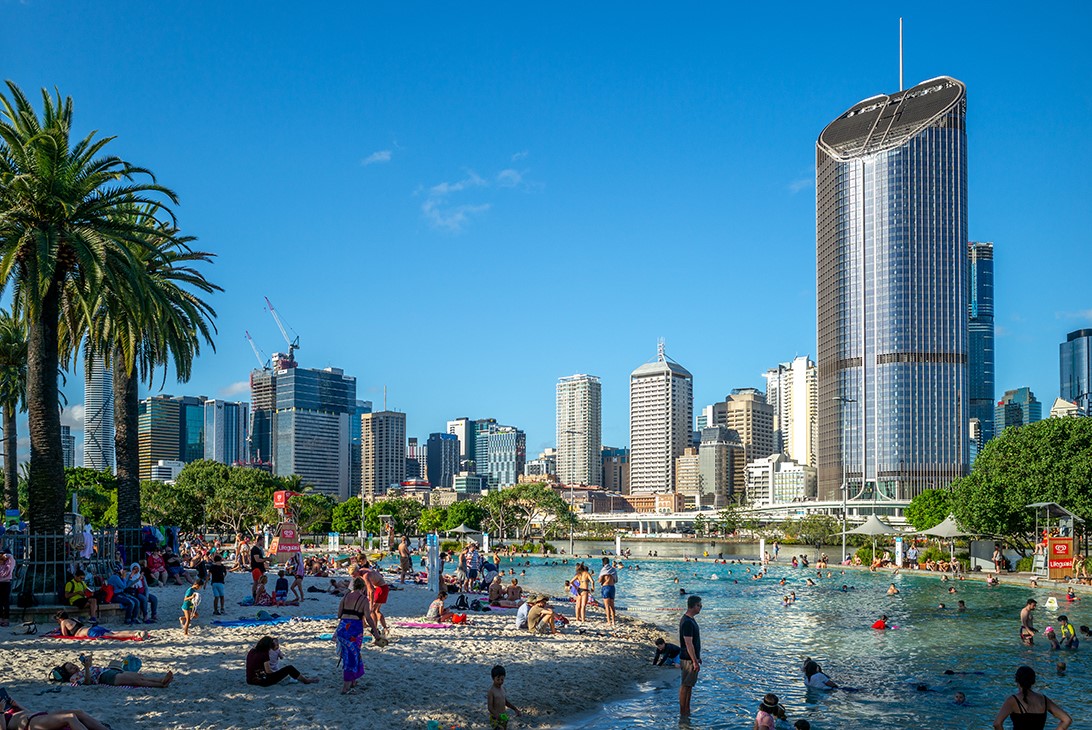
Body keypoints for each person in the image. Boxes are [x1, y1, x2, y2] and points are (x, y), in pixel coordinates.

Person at [992, 665, 1071, 730]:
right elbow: (1067, 720)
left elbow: (997, 723)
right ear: (1033, 681)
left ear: (1016, 680)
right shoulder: (1043, 699)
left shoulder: (1013, 700)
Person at [0, 692, 113, 730]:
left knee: (78, 712)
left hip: (37, 715)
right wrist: (0, 711)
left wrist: (18, 705)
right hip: (31, 723)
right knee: (70, 717)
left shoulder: (7, 708)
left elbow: (27, 712)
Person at [51, 652, 173, 688]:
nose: (74, 667)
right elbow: (87, 682)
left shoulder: (81, 670)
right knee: (136, 681)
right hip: (106, 677)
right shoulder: (74, 678)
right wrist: (87, 668)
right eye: (71, 668)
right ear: (68, 673)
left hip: (108, 671)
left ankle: (161, 680)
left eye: (73, 664)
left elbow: (92, 669)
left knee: (138, 676)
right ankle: (160, 685)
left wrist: (88, 662)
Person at [245, 635, 318, 687]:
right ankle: (306, 680)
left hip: (250, 680)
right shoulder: (264, 654)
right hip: (262, 681)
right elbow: (268, 671)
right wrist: (277, 673)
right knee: (289, 668)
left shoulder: (252, 651)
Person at [679, 594, 702, 717]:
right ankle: (683, 710)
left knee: (689, 686)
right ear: (693, 606)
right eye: (699, 605)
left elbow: (694, 643)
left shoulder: (690, 620)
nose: (700, 607)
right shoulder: (687, 622)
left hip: (691, 658)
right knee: (685, 685)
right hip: (688, 659)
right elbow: (688, 644)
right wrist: (694, 661)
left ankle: (686, 708)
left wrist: (697, 657)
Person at [54, 611, 148, 640]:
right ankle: (136, 632)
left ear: (60, 618)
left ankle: (135, 635)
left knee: (113, 635)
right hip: (91, 628)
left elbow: (64, 635)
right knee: (114, 632)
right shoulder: (73, 619)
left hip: (90, 632)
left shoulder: (63, 622)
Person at [487, 665, 522, 730]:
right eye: (498, 679)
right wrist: (496, 714)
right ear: (493, 678)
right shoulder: (491, 691)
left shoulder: (503, 689)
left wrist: (515, 709)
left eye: (502, 679)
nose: (500, 681)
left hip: (504, 715)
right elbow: (490, 707)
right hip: (495, 718)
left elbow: (505, 702)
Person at [361, 559, 390, 635]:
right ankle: (385, 628)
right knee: (377, 611)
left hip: (379, 589)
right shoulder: (369, 571)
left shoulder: (365, 575)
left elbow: (371, 590)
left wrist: (370, 603)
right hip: (384, 588)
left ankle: (375, 629)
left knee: (373, 610)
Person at [599, 557, 618, 628]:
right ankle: (613, 621)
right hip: (612, 587)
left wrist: (603, 577)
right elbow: (616, 580)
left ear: (603, 562)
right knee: (612, 605)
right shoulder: (613, 569)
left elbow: (600, 580)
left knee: (607, 606)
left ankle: (609, 621)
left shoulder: (603, 570)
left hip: (605, 587)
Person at [0, 550, 13, 627]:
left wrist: (6, 556)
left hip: (6, 582)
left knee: (5, 601)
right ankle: (1, 618)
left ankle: (6, 619)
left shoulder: (9, 559)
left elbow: (7, 572)